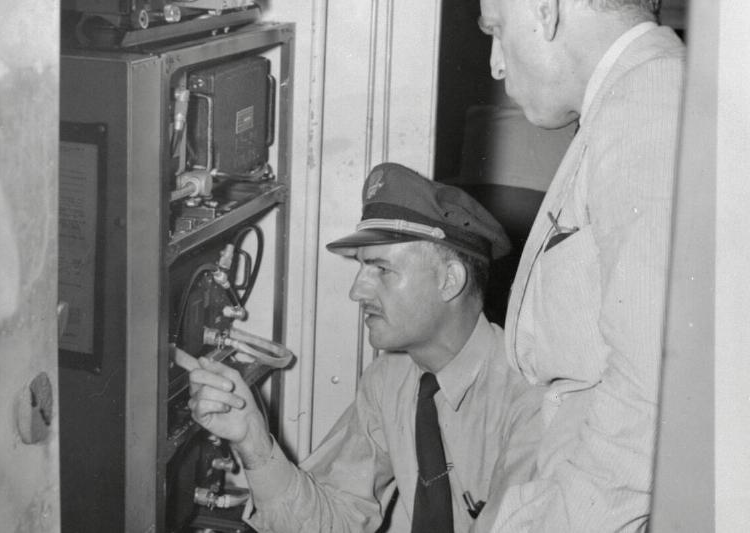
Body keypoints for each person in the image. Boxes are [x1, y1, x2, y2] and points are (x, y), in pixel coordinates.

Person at [187, 162, 544, 532]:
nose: (356, 291)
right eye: (361, 268)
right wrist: (252, 440)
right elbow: (333, 519)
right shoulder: (391, 380)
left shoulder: (532, 399)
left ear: (450, 280)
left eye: (382, 270)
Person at [475, 0, 685, 530]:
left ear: (543, 11)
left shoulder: (649, 98)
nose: (496, 63)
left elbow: (651, 384)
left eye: (497, 30)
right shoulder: (630, 97)